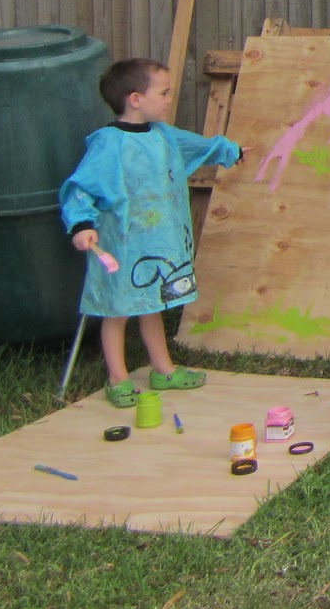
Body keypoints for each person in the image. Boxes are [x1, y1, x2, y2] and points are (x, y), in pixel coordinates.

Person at [60, 58, 243, 408]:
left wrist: (229, 151)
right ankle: (118, 377)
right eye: (164, 92)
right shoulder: (108, 144)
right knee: (118, 310)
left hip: (160, 242)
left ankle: (163, 369)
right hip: (123, 246)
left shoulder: (163, 135)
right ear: (135, 99)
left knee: (152, 305)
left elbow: (197, 145)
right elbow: (81, 186)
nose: (169, 98)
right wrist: (82, 224)